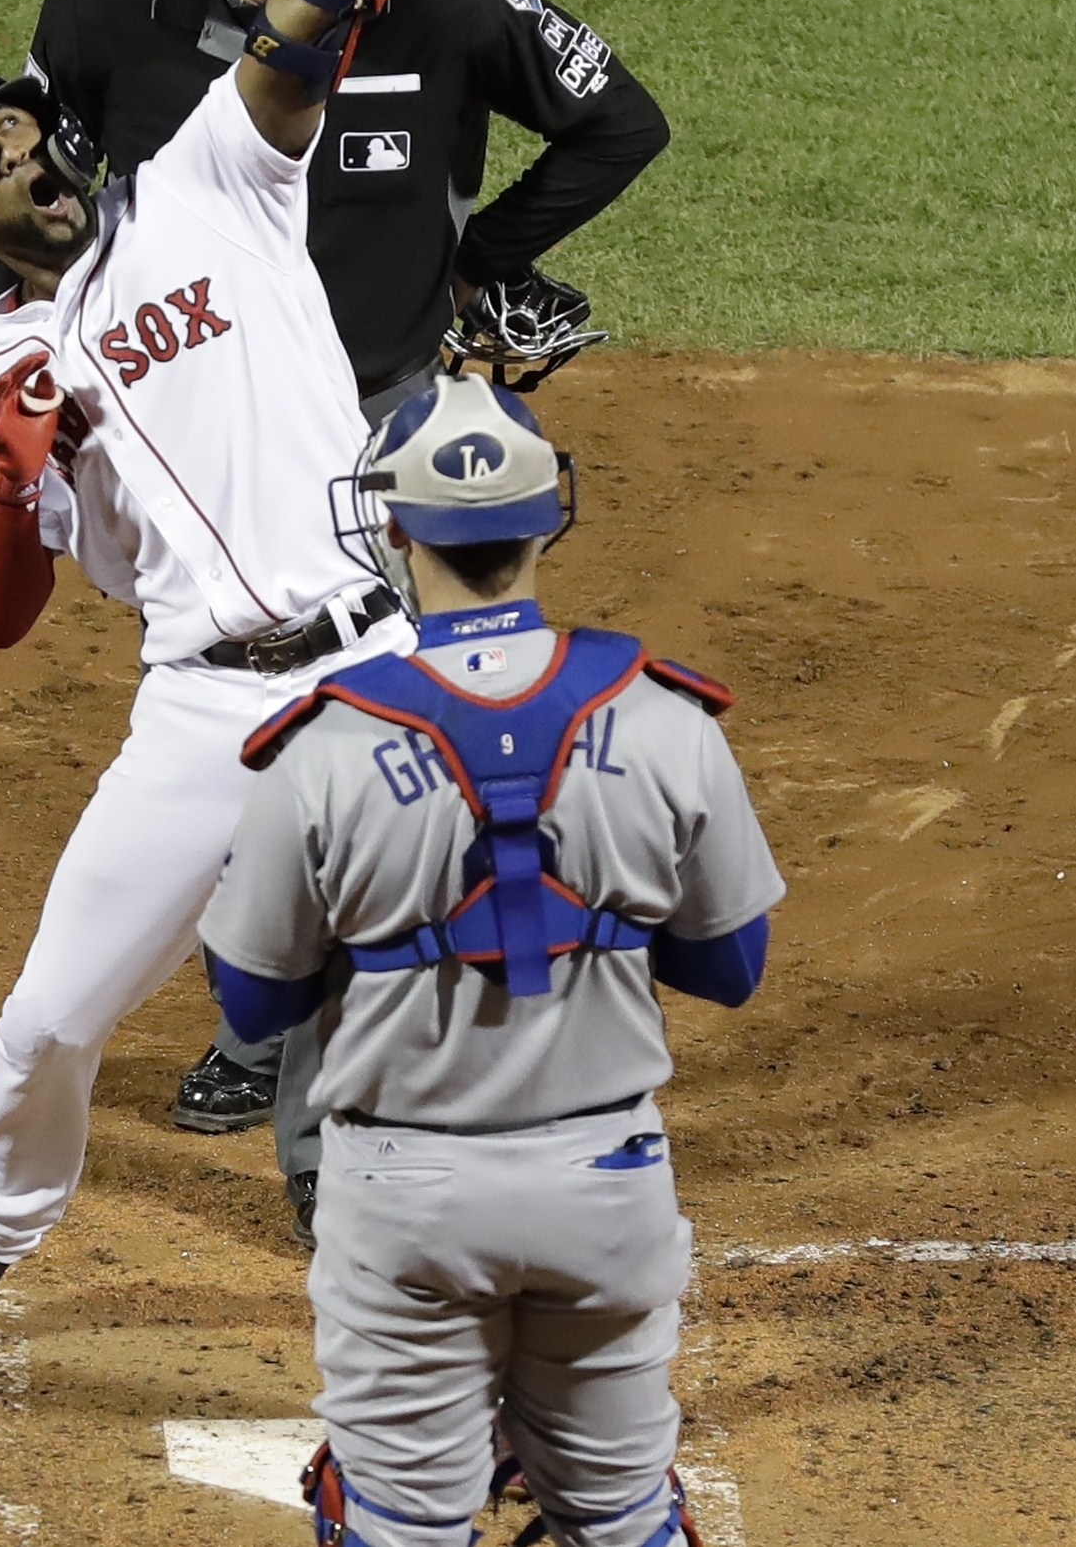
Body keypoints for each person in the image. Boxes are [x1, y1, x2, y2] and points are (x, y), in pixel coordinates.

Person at [5, 0, 671, 1199]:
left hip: (390, 431)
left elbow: (622, 122)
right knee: (247, 738)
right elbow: (34, 189)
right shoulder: (105, 5)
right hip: (221, 446)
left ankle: (322, 1123)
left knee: (361, 766)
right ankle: (268, 1009)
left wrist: (479, 262)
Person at [0, 0, 415, 1357]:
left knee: (476, 995)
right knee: (46, 1020)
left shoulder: (207, 177)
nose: (21, 164)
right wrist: (25, 464)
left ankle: (487, 1294)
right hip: (203, 704)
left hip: (382, 656)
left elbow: (311, 10)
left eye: (17, 130)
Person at [198, 372, 784, 1547]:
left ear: (397, 525)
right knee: (623, 1516)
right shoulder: (667, 716)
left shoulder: (323, 744)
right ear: (545, 516)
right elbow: (732, 966)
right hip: (609, 1187)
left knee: (394, 1522)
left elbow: (251, 1000)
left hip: (404, 1201)